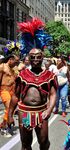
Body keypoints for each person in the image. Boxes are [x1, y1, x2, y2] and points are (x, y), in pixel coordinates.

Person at [8, 18, 57, 150]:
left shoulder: (50, 75)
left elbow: (53, 94)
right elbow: (15, 96)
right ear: (28, 58)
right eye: (32, 57)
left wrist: (49, 109)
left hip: (42, 112)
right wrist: (10, 114)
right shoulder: (22, 75)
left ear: (42, 57)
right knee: (25, 144)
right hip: (24, 113)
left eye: (38, 57)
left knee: (44, 142)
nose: (35, 60)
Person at [0, 54, 19, 137]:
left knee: (12, 110)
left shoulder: (14, 69)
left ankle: (2, 125)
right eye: (16, 62)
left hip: (12, 91)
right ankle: (4, 129)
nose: (16, 64)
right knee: (8, 108)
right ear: (10, 59)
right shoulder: (2, 66)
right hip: (4, 90)